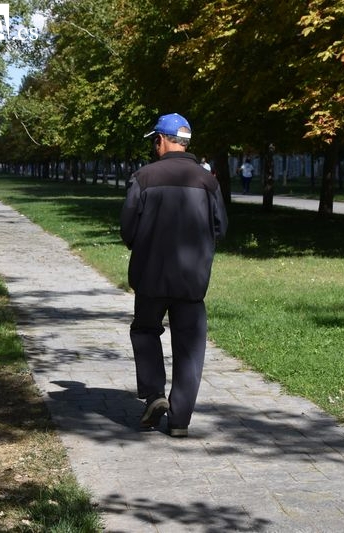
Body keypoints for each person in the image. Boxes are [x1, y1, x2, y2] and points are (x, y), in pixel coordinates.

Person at [120, 113, 228, 438]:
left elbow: (128, 229)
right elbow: (220, 227)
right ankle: (180, 419)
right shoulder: (208, 181)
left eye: (155, 140)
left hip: (151, 276)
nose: (155, 145)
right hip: (191, 280)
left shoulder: (143, 177)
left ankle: (154, 395)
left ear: (163, 140)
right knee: (190, 346)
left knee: (145, 331)